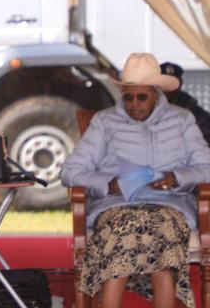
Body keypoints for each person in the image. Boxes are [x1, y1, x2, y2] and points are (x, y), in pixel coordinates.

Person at [63, 53, 210, 308]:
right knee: (123, 231)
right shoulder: (105, 122)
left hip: (169, 205)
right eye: (128, 97)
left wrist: (176, 178)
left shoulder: (181, 120)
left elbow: (206, 167)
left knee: (160, 232)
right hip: (116, 204)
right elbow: (70, 171)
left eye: (141, 97)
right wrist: (109, 183)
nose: (133, 104)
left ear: (155, 94)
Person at [160, 62, 210, 146]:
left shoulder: (194, 111)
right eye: (164, 81)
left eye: (172, 81)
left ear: (180, 83)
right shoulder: (144, 106)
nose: (168, 85)